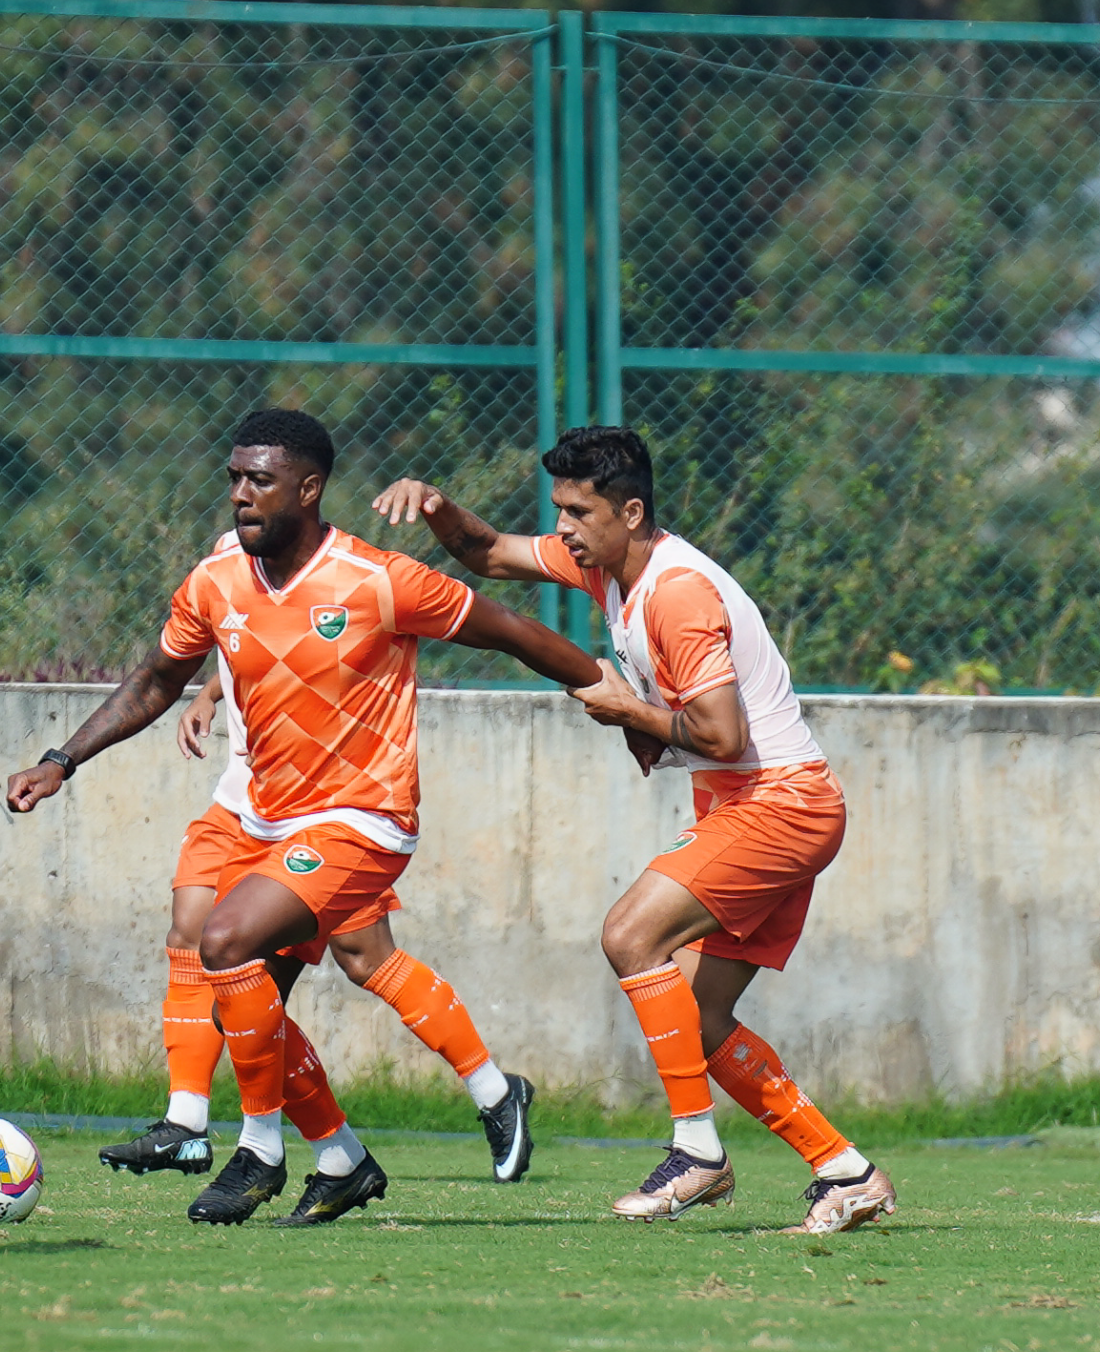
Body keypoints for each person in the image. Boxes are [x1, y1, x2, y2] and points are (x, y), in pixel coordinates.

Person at [8, 409, 599, 1227]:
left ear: (310, 488)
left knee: (229, 940)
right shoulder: (215, 581)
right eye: (234, 479)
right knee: (243, 1000)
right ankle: (341, 1157)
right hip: (268, 823)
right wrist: (61, 760)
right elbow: (153, 681)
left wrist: (607, 691)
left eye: (261, 480)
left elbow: (514, 632)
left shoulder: (377, 580)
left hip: (365, 819)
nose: (241, 495)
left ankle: (258, 1151)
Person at [373, 425, 897, 1235]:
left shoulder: (678, 593)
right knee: (700, 1016)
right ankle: (846, 1171)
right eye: (560, 510)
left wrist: (630, 709)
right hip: (758, 805)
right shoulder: (606, 563)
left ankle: (698, 1154)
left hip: (778, 803)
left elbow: (723, 736)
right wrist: (438, 506)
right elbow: (486, 553)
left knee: (628, 935)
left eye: (579, 512)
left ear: (631, 510)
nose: (565, 528)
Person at [98, 640, 539, 1185]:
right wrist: (211, 693)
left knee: (361, 959)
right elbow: (245, 638)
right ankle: (188, 1121)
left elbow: (307, 648)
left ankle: (490, 1094)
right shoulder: (230, 564)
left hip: (319, 815)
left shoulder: (331, 575)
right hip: (240, 806)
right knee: (194, 938)